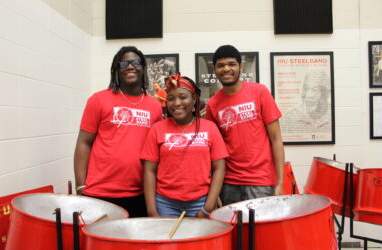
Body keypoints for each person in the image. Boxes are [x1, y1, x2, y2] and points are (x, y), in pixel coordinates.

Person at [74, 46, 163, 217]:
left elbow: (157, 151)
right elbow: (84, 143)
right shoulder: (98, 100)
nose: (130, 66)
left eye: (135, 62)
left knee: (136, 243)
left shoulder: (155, 107)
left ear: (143, 68)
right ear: (116, 69)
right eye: (123, 63)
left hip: (140, 193)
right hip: (100, 193)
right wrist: (80, 187)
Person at [205, 45, 285, 206]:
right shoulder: (213, 104)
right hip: (228, 183)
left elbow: (276, 139)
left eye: (231, 64)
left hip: (261, 181)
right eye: (220, 65)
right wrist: (214, 189)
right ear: (214, 70)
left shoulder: (259, 92)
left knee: (261, 230)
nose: (226, 69)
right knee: (234, 230)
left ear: (240, 66)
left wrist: (280, 182)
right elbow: (213, 151)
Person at [141, 73, 228, 217]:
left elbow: (219, 168)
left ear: (194, 99)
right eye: (171, 98)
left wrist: (208, 206)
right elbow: (149, 171)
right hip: (165, 203)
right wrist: (151, 210)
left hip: (200, 202)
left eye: (183, 97)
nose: (176, 103)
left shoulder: (209, 128)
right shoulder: (157, 129)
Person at [281, 70, 331, 136]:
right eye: (306, 89)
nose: (308, 95)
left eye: (315, 90)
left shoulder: (333, 116)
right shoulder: (288, 119)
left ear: (327, 94)